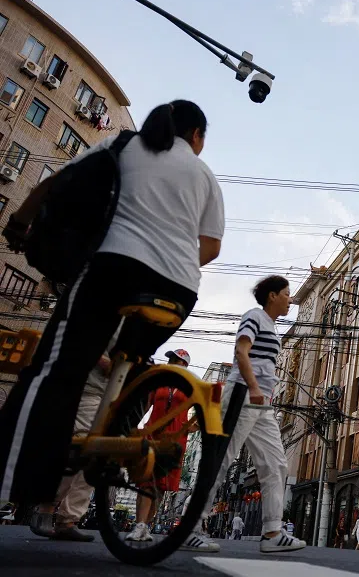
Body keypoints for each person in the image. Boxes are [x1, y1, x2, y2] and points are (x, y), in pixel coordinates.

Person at [0, 101, 224, 518]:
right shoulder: (205, 175)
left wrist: (20, 221)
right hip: (178, 291)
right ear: (197, 136)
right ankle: (109, 439)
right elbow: (209, 248)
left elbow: (58, 182)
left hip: (114, 270)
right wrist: (170, 262)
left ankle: (19, 481)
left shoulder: (124, 144)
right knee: (125, 370)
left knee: (56, 370)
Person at [182, 276, 305, 553]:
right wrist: (252, 386)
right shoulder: (255, 316)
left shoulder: (272, 329)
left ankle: (273, 532)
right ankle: (190, 529)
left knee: (276, 464)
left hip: (262, 403)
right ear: (272, 296)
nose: (290, 299)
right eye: (286, 294)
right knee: (221, 461)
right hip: (242, 394)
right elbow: (241, 351)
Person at [29, 331, 122, 542]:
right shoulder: (100, 318)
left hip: (109, 395)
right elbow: (79, 341)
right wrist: (104, 362)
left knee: (95, 458)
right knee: (79, 452)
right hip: (87, 391)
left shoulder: (129, 322)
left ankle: (67, 519)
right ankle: (47, 508)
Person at [125, 349, 193, 542]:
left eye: (177, 360)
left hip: (175, 440)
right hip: (153, 435)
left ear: (185, 365)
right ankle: (139, 525)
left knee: (160, 488)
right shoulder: (159, 384)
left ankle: (145, 526)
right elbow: (145, 406)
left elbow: (198, 412)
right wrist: (135, 426)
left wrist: (188, 428)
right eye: (171, 359)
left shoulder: (189, 387)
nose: (172, 362)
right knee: (147, 480)